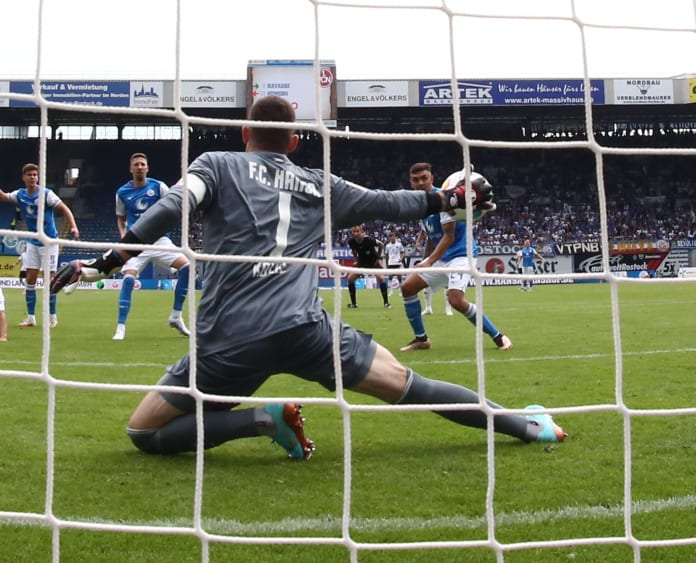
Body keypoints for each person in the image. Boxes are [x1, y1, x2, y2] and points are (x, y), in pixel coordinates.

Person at [50, 96, 564, 461]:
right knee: (414, 386)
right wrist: (449, 200)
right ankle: (527, 424)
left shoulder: (217, 164)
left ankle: (258, 420)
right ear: (295, 141)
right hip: (306, 333)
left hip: (228, 341)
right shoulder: (322, 185)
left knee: (143, 433)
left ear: (246, 133)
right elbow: (392, 204)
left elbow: (171, 207)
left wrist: (105, 263)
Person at [399, 162, 510, 352]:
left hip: (461, 254)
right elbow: (432, 236)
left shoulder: (444, 199)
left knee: (456, 300)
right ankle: (421, 339)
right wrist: (426, 260)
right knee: (408, 287)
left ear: (432, 179)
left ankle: (499, 337)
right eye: (416, 180)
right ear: (411, 182)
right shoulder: (418, 203)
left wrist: (429, 262)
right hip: (442, 257)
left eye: (424, 178)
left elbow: (449, 237)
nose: (420, 183)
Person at [0, 162, 79, 329]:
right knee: (30, 279)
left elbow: (64, 209)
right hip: (33, 241)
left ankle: (52, 317)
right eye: (29, 175)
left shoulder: (47, 194)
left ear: (38, 177)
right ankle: (31, 318)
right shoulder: (20, 195)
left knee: (50, 281)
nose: (32, 177)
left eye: (35, 175)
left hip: (49, 242)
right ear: (24, 178)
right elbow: (2, 197)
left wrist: (74, 226)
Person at [110, 152, 192, 341]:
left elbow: (172, 207)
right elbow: (121, 219)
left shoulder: (158, 186)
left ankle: (176, 316)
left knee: (188, 266)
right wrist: (124, 237)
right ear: (131, 169)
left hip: (159, 240)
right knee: (128, 280)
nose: (140, 167)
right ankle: (120, 327)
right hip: (135, 241)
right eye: (136, 164)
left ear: (147, 168)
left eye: (142, 164)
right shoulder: (122, 192)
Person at [345, 224, 390, 309]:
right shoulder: (351, 242)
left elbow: (381, 244)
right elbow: (354, 251)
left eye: (357, 231)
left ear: (361, 232)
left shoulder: (369, 240)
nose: (356, 233)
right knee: (350, 279)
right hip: (362, 262)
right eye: (354, 231)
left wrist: (378, 258)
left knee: (381, 279)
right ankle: (354, 304)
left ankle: (386, 303)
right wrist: (357, 260)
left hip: (373, 262)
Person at [414, 228, 452, 316]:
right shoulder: (428, 220)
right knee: (424, 279)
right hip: (430, 251)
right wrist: (418, 240)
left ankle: (448, 308)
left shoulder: (443, 220)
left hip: (444, 252)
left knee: (447, 281)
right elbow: (423, 230)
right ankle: (428, 307)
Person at [384, 232, 405, 296]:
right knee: (390, 277)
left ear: (395, 237)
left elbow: (403, 252)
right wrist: (387, 263)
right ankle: (391, 292)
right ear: (389, 238)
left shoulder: (399, 244)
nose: (392, 238)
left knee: (399, 277)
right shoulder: (387, 246)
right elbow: (386, 255)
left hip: (397, 262)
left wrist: (401, 258)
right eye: (390, 237)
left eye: (393, 236)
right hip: (391, 263)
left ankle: (401, 291)